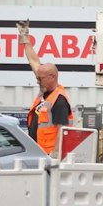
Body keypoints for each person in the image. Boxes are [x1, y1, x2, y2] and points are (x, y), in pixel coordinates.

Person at [15, 23, 74, 157]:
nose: (37, 80)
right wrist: (25, 38)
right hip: (38, 153)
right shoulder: (45, 92)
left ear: (52, 77)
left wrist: (55, 155)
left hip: (48, 156)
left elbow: (62, 130)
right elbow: (34, 61)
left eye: (40, 78)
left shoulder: (59, 100)